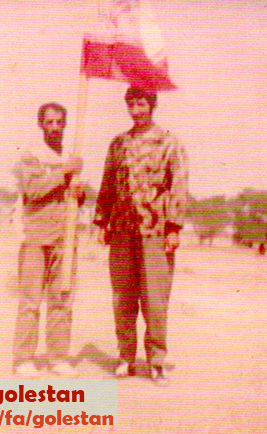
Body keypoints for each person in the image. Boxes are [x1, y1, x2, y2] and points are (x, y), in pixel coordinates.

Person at [94, 86, 188, 385]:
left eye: (142, 104)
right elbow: (108, 182)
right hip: (122, 230)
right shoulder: (118, 143)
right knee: (122, 297)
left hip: (155, 231)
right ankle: (126, 356)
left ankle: (157, 360)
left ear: (153, 105)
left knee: (155, 300)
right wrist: (102, 222)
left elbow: (179, 185)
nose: (136, 111)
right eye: (131, 104)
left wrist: (174, 228)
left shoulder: (169, 142)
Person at [12, 102, 84, 378]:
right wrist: (63, 172)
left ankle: (58, 358)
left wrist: (78, 193)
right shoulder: (31, 156)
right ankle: (24, 359)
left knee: (62, 301)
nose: (55, 127)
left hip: (64, 238)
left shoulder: (70, 157)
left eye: (59, 122)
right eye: (49, 122)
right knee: (31, 301)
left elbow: (73, 197)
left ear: (65, 125)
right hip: (36, 237)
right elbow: (32, 189)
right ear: (41, 124)